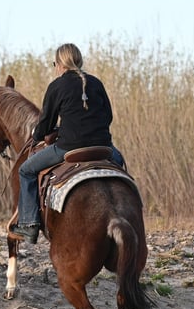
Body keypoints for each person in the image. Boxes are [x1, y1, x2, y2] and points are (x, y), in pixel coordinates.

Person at [10, 43, 125, 244]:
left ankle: (29, 224)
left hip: (68, 148)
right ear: (79, 61)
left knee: (26, 170)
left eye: (55, 63)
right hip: (103, 148)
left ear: (60, 64)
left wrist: (38, 135)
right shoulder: (96, 83)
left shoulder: (57, 86)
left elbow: (45, 125)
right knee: (121, 164)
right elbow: (107, 117)